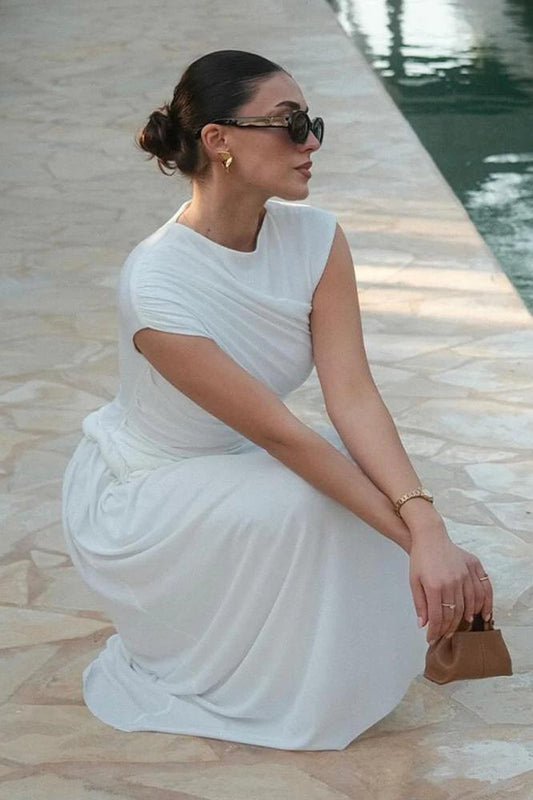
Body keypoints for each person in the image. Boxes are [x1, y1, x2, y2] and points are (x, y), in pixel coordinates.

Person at [61, 49, 493, 751]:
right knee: (318, 498)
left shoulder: (316, 238)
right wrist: (422, 542)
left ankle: (356, 641)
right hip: (149, 491)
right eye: (289, 124)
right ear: (218, 140)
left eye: (311, 123)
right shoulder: (156, 282)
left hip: (241, 460)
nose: (311, 142)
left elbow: (353, 394)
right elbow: (282, 437)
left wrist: (427, 523)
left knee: (365, 478)